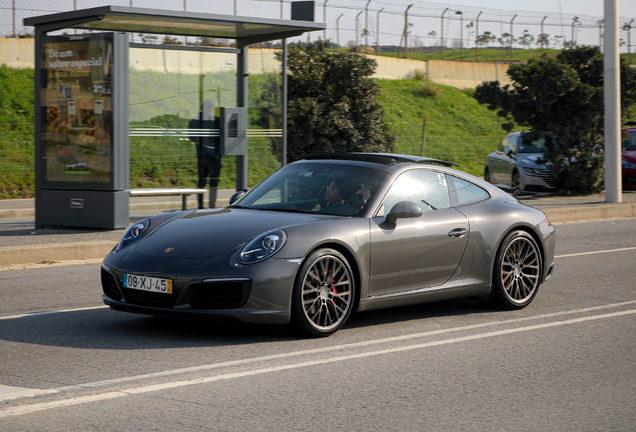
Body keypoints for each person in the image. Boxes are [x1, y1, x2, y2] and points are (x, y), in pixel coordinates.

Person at [189, 100, 222, 209]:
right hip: (215, 155)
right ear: (212, 108)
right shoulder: (217, 120)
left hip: (201, 155)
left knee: (201, 182)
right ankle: (212, 205)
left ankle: (200, 206)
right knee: (214, 182)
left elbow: (191, 138)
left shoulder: (193, 121)